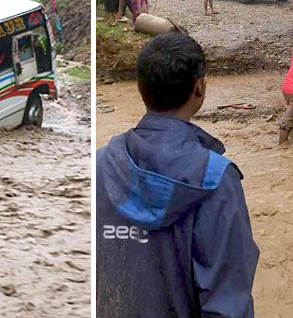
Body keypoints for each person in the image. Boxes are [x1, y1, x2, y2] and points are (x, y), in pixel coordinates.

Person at [96, 33, 259, 318]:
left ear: (140, 88)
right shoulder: (217, 180)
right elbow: (228, 301)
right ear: (200, 88)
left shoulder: (99, 165)